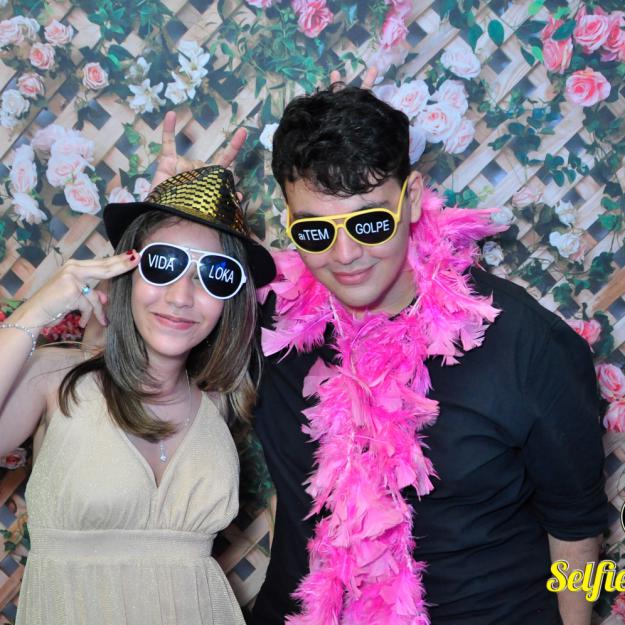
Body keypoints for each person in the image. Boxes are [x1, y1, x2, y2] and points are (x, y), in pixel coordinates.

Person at [247, 83, 607, 625]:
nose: (345, 254)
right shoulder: (271, 326)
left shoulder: (526, 343)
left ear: (411, 197)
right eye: (315, 230)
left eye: (369, 223)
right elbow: (152, 370)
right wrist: (174, 228)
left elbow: (578, 531)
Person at [0, 165, 275, 625]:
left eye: (215, 275)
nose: (182, 296)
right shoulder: (58, 379)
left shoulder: (220, 401)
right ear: (126, 271)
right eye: (163, 264)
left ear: (231, 300)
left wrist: (176, 226)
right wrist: (36, 310)